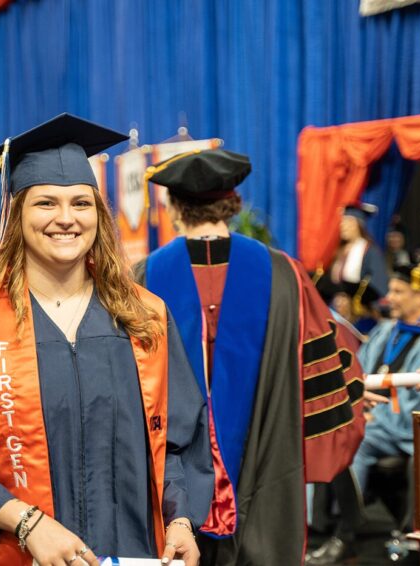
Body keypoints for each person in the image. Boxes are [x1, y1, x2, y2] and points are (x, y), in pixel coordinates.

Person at [0, 114, 213, 566]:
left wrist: (181, 519)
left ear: (98, 215)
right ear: (16, 214)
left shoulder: (144, 318)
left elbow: (181, 439)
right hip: (19, 554)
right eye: (46, 203)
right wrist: (27, 523)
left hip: (132, 553)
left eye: (81, 204)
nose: (66, 219)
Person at [133, 148, 365, 565]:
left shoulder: (143, 277)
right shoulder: (283, 274)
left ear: (173, 207)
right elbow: (326, 361)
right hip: (267, 466)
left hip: (170, 481)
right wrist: (351, 397)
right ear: (232, 203)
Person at [306, 263, 420, 565]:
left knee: (354, 439)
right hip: (374, 419)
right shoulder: (387, 330)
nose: (389, 297)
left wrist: (375, 417)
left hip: (406, 426)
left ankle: (346, 534)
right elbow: (357, 370)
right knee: (329, 429)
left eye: (398, 291)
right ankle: (317, 525)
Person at [328, 202, 389, 299]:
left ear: (359, 225)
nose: (343, 226)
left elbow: (378, 285)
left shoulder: (370, 251)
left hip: (357, 305)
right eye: (342, 222)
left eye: (349, 222)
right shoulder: (338, 251)